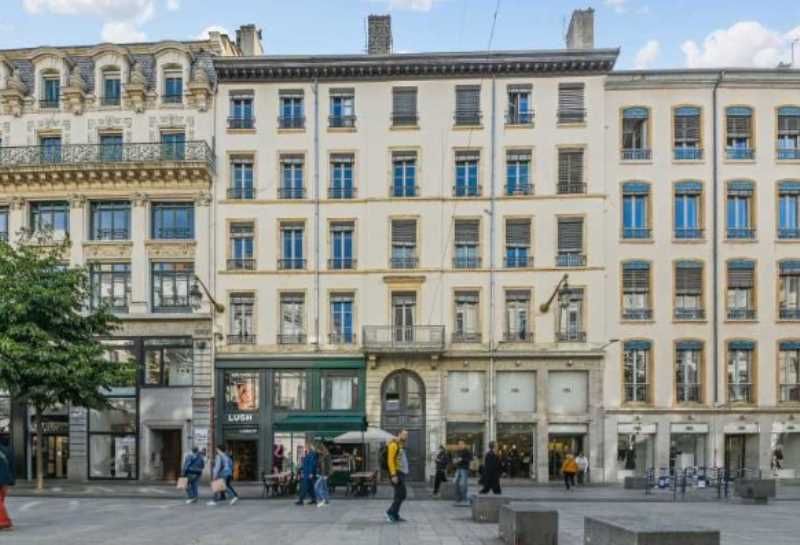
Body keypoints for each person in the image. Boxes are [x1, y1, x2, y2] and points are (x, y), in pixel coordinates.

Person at [386, 430, 409, 523]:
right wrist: (393, 475)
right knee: (401, 494)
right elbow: (390, 460)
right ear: (399, 434)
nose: (406, 436)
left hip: (401, 473)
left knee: (400, 495)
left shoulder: (400, 445)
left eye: (407, 435)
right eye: (404, 434)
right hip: (396, 473)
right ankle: (390, 513)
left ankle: (395, 514)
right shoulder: (393, 445)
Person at [0, 443, 15, 531]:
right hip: (5, 480)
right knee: (1, 501)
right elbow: (12, 467)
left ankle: (4, 522)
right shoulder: (8, 450)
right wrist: (11, 481)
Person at [453, 440, 473, 505]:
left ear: (464, 444)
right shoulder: (458, 451)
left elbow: (470, 459)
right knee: (455, 482)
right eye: (459, 444)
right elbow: (455, 459)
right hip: (458, 468)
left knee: (463, 484)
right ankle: (458, 498)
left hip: (464, 469)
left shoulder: (467, 451)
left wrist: (462, 459)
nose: (460, 445)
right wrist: (455, 460)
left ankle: (464, 498)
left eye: (461, 444)